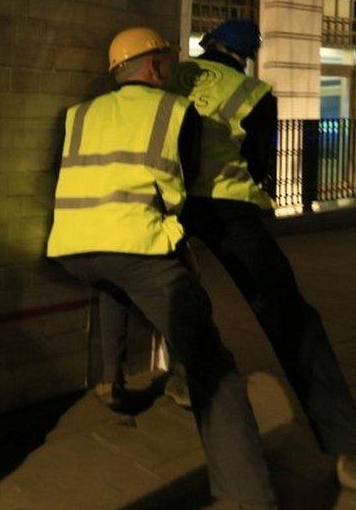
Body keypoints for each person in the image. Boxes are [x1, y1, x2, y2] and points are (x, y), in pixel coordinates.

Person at [47, 27, 277, 508]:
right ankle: (250, 494)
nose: (173, 72)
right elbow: (182, 183)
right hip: (135, 244)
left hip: (72, 248)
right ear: (153, 66)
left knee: (113, 284)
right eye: (168, 63)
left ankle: (112, 381)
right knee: (215, 366)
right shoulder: (176, 110)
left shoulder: (79, 113)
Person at [167, 19, 356, 490]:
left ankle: (184, 377)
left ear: (208, 44)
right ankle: (347, 444)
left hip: (172, 204)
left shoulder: (176, 76)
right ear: (244, 55)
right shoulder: (254, 92)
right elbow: (257, 164)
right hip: (232, 213)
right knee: (292, 320)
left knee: (174, 292)